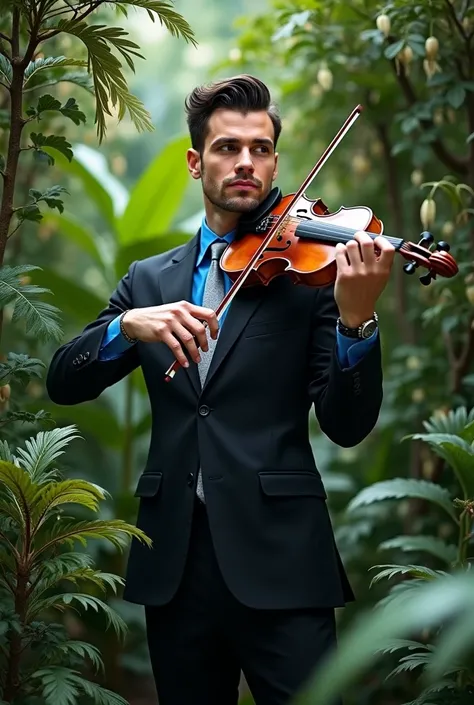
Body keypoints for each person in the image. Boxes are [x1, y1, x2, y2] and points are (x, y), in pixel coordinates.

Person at [46, 74, 395, 705]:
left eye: (260, 149)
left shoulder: (310, 270)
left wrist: (357, 319)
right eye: (228, 148)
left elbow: (347, 424)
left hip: (283, 560)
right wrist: (127, 326)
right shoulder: (149, 280)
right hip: (176, 566)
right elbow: (63, 381)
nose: (246, 163)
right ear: (194, 161)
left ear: (276, 162)